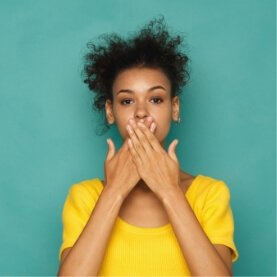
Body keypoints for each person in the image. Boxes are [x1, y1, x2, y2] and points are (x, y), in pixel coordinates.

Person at [57, 17, 238, 276]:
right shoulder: (85, 197)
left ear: (174, 108)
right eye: (127, 101)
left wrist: (169, 190)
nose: (141, 112)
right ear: (110, 111)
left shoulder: (209, 195)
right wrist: (114, 190)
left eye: (155, 98)